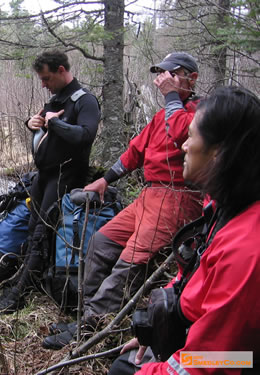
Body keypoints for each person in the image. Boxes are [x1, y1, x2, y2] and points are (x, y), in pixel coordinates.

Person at [43, 52, 203, 349]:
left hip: (176, 197)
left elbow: (182, 131)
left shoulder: (203, 112)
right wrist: (105, 179)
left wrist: (171, 97)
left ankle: (93, 329)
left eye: (173, 74)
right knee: (101, 243)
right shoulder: (160, 116)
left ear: (191, 78)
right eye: (163, 75)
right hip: (149, 195)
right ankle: (86, 315)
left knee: (130, 260)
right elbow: (134, 153)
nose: (165, 81)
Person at [109, 86, 260, 375]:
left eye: (191, 136)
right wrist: (156, 330)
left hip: (234, 362)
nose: (183, 146)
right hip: (206, 345)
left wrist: (155, 370)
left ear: (219, 152)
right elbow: (193, 275)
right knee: (123, 364)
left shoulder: (247, 249)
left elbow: (220, 361)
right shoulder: (222, 207)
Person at [0, 50, 101, 313]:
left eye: (47, 78)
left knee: (42, 232)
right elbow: (45, 131)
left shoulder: (86, 101)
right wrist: (32, 123)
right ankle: (25, 278)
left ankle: (19, 293)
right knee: (32, 227)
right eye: (41, 79)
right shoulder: (55, 100)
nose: (43, 84)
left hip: (67, 176)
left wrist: (55, 124)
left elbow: (85, 136)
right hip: (44, 176)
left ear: (62, 70)